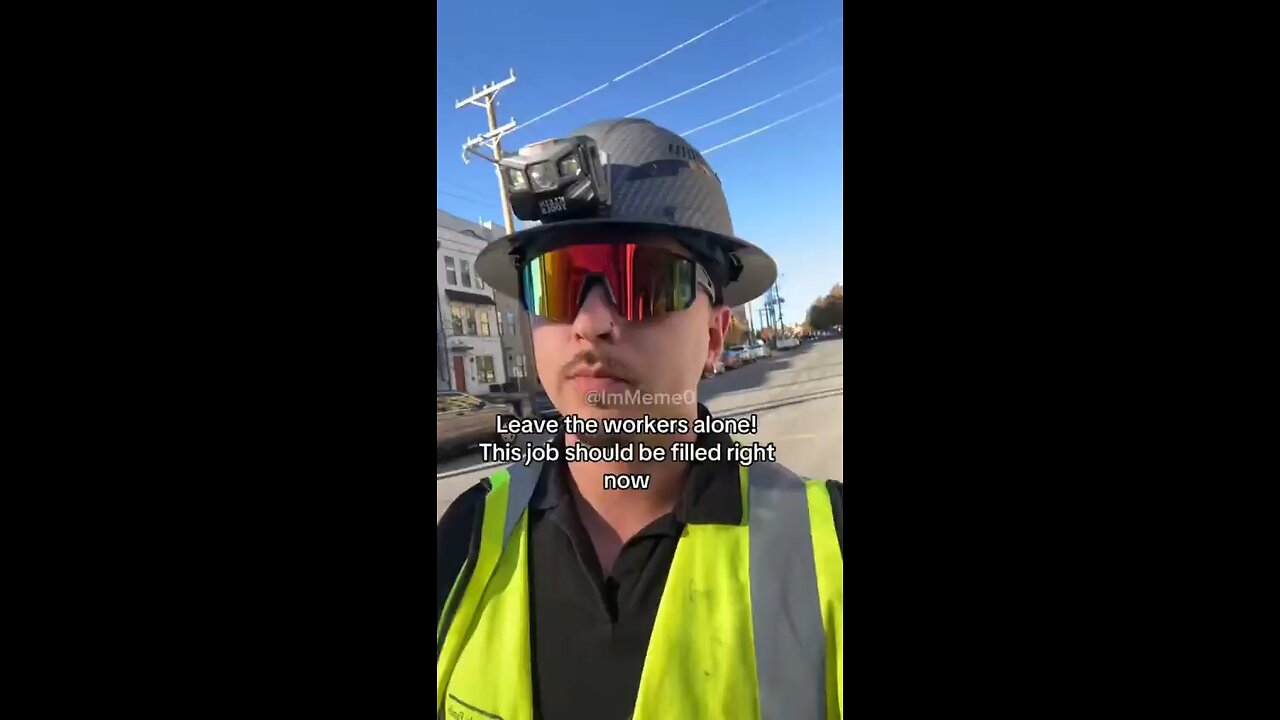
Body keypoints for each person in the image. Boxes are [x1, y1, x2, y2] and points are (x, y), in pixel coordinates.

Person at [437, 118, 843, 720]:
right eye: (557, 283)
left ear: (714, 336)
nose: (590, 323)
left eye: (643, 281)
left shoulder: (828, 547)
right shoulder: (465, 538)